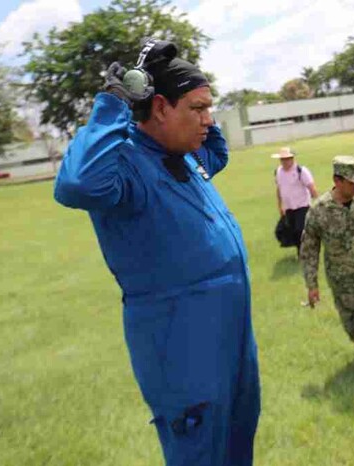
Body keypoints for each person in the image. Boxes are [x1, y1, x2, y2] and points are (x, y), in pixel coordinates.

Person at [53, 39, 260, 466]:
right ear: (161, 107)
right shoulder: (125, 162)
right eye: (198, 109)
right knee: (200, 453)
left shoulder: (183, 155)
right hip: (184, 351)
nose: (209, 120)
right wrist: (116, 102)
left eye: (210, 108)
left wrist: (166, 70)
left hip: (232, 342)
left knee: (237, 443)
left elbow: (216, 151)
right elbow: (78, 185)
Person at [300, 155, 354, 387]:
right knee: (352, 325)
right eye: (352, 182)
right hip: (341, 278)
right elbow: (309, 249)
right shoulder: (319, 210)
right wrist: (312, 285)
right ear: (337, 181)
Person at [272, 147, 318, 253]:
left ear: (292, 159)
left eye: (287, 159)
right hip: (289, 208)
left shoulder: (301, 171)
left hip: (302, 206)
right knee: (286, 231)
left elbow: (311, 187)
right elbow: (279, 189)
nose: (285, 162)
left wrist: (317, 203)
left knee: (299, 230)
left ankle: (305, 252)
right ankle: (302, 250)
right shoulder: (278, 172)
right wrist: (280, 206)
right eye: (283, 159)